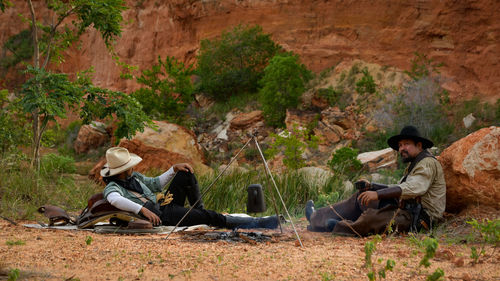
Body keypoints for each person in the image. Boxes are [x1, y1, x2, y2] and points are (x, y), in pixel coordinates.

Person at [305, 125, 446, 236]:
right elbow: (400, 187)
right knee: (361, 196)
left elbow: (413, 188)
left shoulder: (427, 163)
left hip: (420, 219)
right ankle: (316, 217)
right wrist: (372, 186)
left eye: (406, 144)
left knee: (372, 219)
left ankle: (339, 227)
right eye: (400, 145)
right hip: (406, 209)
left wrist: (378, 194)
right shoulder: (414, 163)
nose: (402, 148)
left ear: (419, 145)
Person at [100, 147, 279, 229]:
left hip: (164, 204)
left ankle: (198, 212)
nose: (132, 168)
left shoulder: (134, 177)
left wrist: (173, 169)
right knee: (212, 216)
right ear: (123, 170)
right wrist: (142, 210)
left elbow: (156, 184)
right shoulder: (114, 187)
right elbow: (114, 199)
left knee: (184, 173)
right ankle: (259, 223)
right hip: (162, 215)